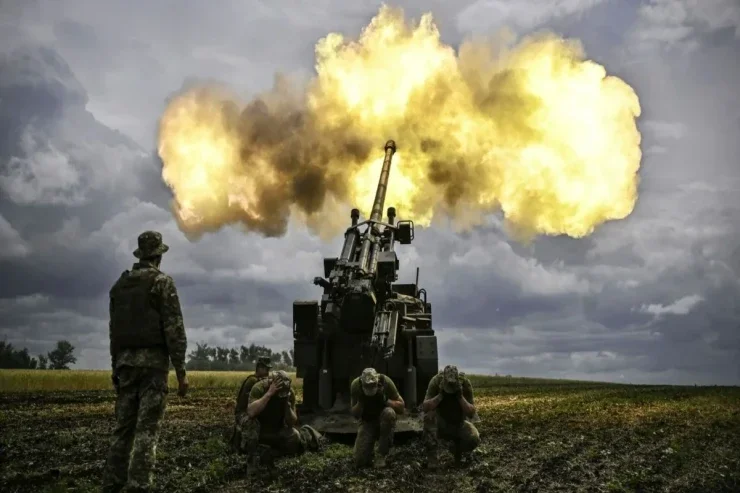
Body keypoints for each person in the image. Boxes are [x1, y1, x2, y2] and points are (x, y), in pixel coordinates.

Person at [102, 231, 189, 493]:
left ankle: (112, 484)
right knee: (146, 431)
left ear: (141, 254)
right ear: (159, 255)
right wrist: (181, 372)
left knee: (123, 429)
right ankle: (139, 486)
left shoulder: (119, 286)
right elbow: (174, 329)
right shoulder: (162, 283)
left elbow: (113, 331)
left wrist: (115, 367)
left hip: (125, 365)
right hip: (152, 367)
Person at [244, 370, 322, 471]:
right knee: (250, 430)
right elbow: (251, 412)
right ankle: (255, 454)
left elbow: (292, 422)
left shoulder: (289, 393)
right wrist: (269, 394)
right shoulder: (259, 388)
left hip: (278, 428)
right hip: (260, 429)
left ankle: (274, 453)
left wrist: (287, 406)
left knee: (295, 436)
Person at [421, 365, 480, 469]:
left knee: (473, 438)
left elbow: (471, 412)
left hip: (458, 423)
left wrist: (460, 396)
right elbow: (425, 407)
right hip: (440, 423)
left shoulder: (465, 383)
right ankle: (433, 459)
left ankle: (457, 452)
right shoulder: (436, 381)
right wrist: (440, 395)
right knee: (429, 418)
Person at [350, 368, 405, 468]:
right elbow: (355, 414)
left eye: (372, 386)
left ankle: (382, 454)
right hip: (367, 421)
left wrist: (385, 400)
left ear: (377, 382)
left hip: (383, 417)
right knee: (360, 461)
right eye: (367, 386)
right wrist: (360, 402)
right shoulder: (356, 386)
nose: (370, 389)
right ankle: (368, 450)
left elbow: (401, 408)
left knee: (389, 413)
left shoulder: (386, 382)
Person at [230, 356, 272, 452]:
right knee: (252, 424)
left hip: (252, 410)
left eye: (268, 369)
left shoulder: (260, 381)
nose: (268, 372)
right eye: (266, 369)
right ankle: (246, 447)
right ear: (259, 368)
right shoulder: (253, 381)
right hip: (243, 413)